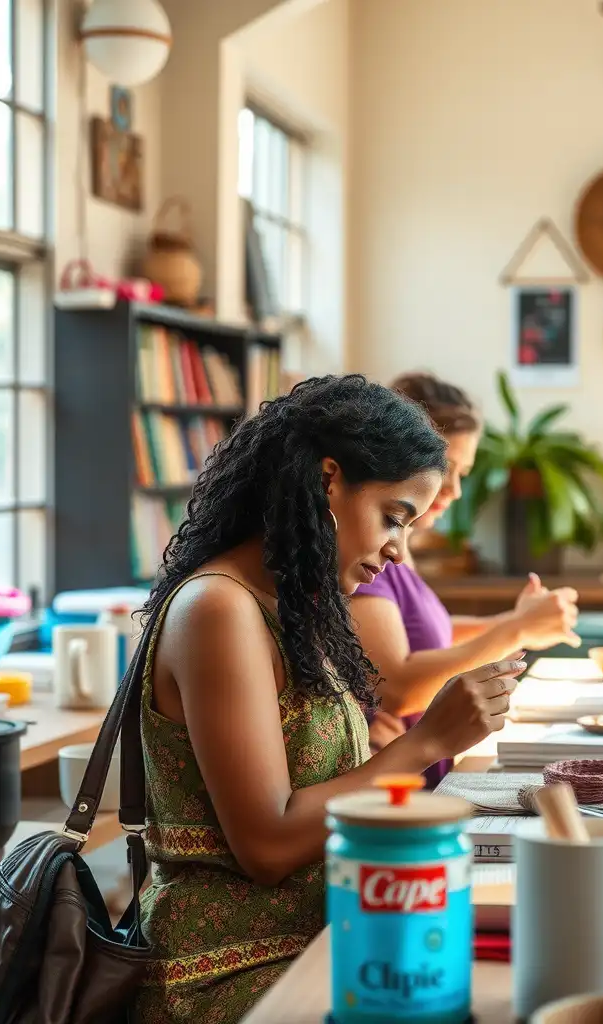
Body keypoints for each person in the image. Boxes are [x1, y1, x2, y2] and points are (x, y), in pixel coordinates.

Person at [134, 375, 524, 1023]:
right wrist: (428, 742)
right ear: (327, 481)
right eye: (394, 517)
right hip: (235, 967)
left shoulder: (291, 608)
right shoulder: (218, 610)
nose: (399, 552)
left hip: (327, 933)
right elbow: (267, 846)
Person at [351, 372, 580, 788]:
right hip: (402, 786)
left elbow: (429, 637)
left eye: (463, 472)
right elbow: (398, 686)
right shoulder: (364, 556)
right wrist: (517, 628)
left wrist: (515, 624)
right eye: (445, 469)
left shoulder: (397, 546)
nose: (453, 489)